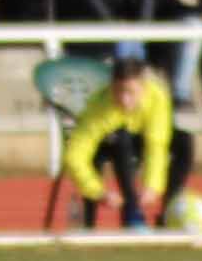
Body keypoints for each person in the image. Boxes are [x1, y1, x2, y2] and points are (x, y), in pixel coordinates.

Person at [60, 57, 192, 231]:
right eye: (118, 91)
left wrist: (152, 186)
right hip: (110, 145)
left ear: (143, 87)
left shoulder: (158, 98)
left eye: (131, 92)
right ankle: (132, 211)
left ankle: (168, 212)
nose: (124, 99)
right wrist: (98, 191)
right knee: (121, 139)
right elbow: (75, 155)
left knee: (185, 142)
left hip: (140, 139)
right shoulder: (100, 106)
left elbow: (156, 144)